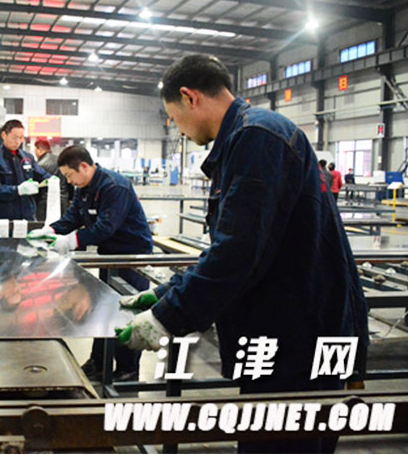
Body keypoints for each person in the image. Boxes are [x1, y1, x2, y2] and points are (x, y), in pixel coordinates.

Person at [117, 55, 368, 453]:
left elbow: (239, 252)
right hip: (288, 330)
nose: (178, 129)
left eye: (175, 118)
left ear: (190, 97)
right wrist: (165, 294)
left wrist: (167, 317)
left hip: (299, 338)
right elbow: (235, 242)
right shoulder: (249, 137)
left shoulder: (257, 138)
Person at [28, 145, 154, 382]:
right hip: (109, 256)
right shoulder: (84, 188)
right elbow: (73, 217)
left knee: (126, 313)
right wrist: (50, 230)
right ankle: (99, 361)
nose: (69, 181)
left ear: (84, 167)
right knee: (104, 309)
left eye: (69, 175)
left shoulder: (114, 187)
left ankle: (128, 368)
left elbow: (106, 227)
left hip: (131, 257)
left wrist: (71, 241)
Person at [0, 120, 51, 221]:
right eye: (14, 137)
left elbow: (41, 174)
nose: (18, 141)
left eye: (21, 138)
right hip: (4, 217)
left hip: (27, 215)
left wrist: (51, 179)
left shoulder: (27, 158)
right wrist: (17, 190)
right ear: (4, 135)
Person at [33, 138, 69, 222]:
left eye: (35, 150)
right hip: (63, 201)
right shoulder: (61, 161)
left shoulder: (39, 165)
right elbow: (69, 183)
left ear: (40, 149)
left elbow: (37, 188)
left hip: (45, 203)